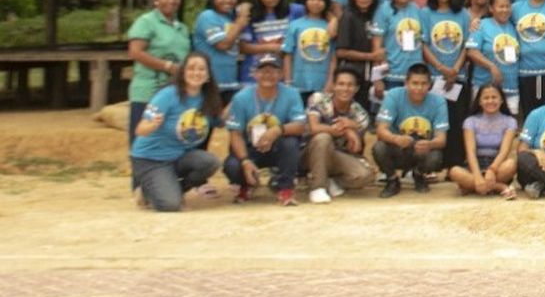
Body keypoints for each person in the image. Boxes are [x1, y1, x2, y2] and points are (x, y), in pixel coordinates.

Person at [130, 52, 223, 211]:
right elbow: (140, 129)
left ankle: (171, 189)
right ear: (182, 72)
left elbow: (220, 121)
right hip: (151, 158)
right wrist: (152, 126)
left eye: (201, 69)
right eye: (191, 68)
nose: (196, 73)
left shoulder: (208, 99)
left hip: (178, 156)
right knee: (170, 205)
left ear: (208, 75)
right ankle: (148, 191)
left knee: (210, 162)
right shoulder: (167, 95)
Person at [126, 0, 190, 188]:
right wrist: (168, 66)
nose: (172, 1)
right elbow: (135, 52)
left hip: (173, 90)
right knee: (143, 136)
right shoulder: (146, 22)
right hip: (148, 88)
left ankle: (163, 182)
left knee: (168, 133)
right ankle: (139, 185)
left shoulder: (182, 27)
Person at [222, 54, 307, 206]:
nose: (268, 75)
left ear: (281, 74)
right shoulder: (241, 98)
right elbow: (235, 133)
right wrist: (245, 160)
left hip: (277, 147)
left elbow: (301, 126)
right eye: (263, 71)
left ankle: (285, 188)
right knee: (232, 166)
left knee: (291, 143)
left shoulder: (291, 94)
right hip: (251, 147)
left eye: (273, 71)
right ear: (254, 74)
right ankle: (246, 185)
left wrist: (277, 130)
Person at [303, 66, 377, 204]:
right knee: (323, 137)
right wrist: (347, 129)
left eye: (350, 85)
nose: (345, 89)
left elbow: (355, 147)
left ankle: (332, 181)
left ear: (356, 88)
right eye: (341, 84)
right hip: (307, 152)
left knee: (366, 175)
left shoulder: (359, 113)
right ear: (334, 85)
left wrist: (354, 130)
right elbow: (314, 128)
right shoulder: (318, 99)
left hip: (335, 155)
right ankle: (318, 187)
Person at [374, 62, 449, 197]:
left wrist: (430, 144)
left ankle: (419, 175)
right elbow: (381, 130)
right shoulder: (393, 96)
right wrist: (395, 138)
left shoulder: (439, 102)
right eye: (415, 83)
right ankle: (392, 179)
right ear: (406, 83)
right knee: (379, 147)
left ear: (429, 85)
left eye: (423, 84)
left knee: (436, 155)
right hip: (398, 147)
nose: (419, 88)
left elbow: (442, 139)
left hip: (421, 150)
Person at [422, 0, 471, 165]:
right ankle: (435, 163)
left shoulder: (462, 14)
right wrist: (442, 68)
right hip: (434, 77)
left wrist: (455, 70)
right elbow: (424, 44)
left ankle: (455, 162)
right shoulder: (425, 12)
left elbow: (467, 45)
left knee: (457, 120)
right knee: (437, 121)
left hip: (458, 77)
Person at [447, 82, 519, 199]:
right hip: (474, 165)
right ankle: (498, 187)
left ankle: (472, 187)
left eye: (494, 97)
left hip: (497, 166)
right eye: (486, 98)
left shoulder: (510, 121)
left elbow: (504, 151)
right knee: (454, 172)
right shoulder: (470, 121)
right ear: (479, 101)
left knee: (511, 164)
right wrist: (477, 175)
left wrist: (492, 170)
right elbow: (470, 152)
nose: (490, 101)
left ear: (501, 100)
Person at [193, 0, 249, 102]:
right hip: (209, 84)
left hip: (230, 83)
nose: (228, 0)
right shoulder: (207, 16)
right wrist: (240, 23)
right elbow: (223, 45)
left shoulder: (231, 18)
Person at [331, 0, 383, 113]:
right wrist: (370, 56)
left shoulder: (377, 15)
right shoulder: (348, 16)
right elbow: (341, 51)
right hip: (352, 75)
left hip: (372, 74)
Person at [372, 0, 423, 106]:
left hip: (415, 74)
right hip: (391, 74)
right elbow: (377, 47)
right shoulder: (384, 10)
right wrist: (378, 78)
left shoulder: (418, 9)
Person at [282, 0, 336, 102]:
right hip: (298, 83)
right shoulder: (295, 25)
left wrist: (330, 82)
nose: (316, 3)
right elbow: (288, 55)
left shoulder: (331, 26)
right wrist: (288, 81)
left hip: (322, 85)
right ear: (305, 0)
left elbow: (333, 58)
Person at [468, 0, 521, 114]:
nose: (505, 10)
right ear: (491, 8)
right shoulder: (481, 25)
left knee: (509, 126)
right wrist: (491, 66)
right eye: (501, 6)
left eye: (507, 6)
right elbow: (471, 52)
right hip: (485, 86)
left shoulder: (514, 26)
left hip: (511, 86)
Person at [240, 0, 301, 80]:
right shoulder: (250, 14)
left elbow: (319, 11)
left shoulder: (295, 11)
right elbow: (243, 47)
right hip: (253, 74)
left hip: (285, 74)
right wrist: (275, 47)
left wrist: (333, 20)